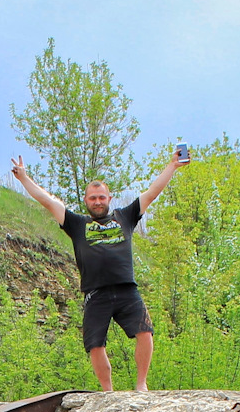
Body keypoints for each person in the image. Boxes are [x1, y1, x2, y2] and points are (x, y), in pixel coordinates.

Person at [11, 148, 189, 393]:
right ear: (86, 200)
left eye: (101, 197)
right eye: (93, 198)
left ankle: (141, 385)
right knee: (95, 344)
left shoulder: (124, 217)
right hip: (96, 293)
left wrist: (172, 166)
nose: (97, 202)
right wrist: (23, 178)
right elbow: (48, 201)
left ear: (109, 198)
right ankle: (108, 392)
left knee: (145, 332)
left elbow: (152, 193)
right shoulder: (77, 224)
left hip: (127, 289)